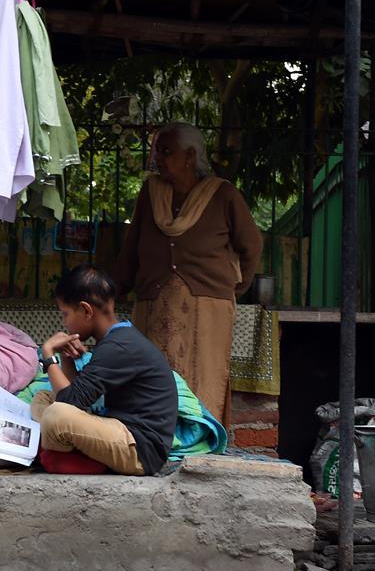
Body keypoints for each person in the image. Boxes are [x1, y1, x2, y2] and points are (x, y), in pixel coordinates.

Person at [112, 122, 262, 422]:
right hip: (154, 303)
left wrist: (232, 288)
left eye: (166, 152)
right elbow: (132, 248)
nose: (157, 159)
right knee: (152, 376)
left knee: (202, 376)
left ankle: (199, 438)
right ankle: (155, 436)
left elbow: (252, 244)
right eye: (157, 152)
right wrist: (115, 291)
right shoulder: (151, 192)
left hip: (207, 307)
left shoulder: (223, 194)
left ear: (190, 156)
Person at [31, 264, 178, 476]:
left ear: (85, 310)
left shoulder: (119, 347)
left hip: (139, 449)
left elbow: (68, 403)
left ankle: (64, 456)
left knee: (56, 414)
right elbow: (76, 397)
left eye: (65, 314)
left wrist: (48, 355)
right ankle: (61, 453)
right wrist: (66, 357)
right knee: (44, 397)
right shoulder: (116, 339)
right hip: (117, 429)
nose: (64, 322)